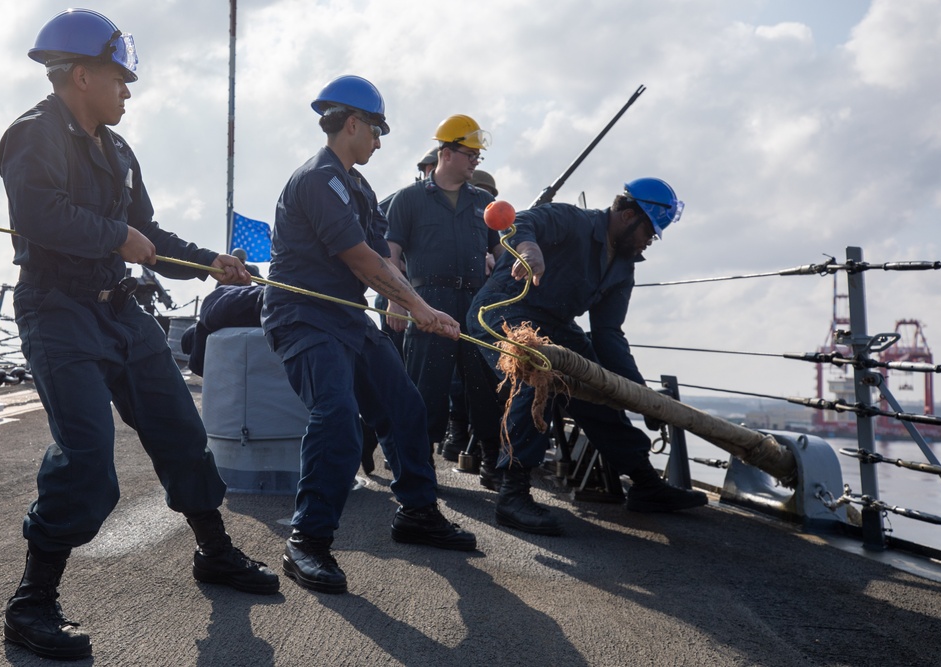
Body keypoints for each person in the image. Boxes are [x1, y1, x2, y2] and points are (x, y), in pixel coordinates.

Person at [0, 9, 278, 660]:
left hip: (120, 310)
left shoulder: (119, 152)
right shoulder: (31, 135)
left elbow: (148, 240)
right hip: (56, 308)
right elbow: (39, 213)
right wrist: (115, 237)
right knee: (89, 458)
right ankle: (31, 602)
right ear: (82, 75)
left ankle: (213, 550)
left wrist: (209, 259)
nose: (128, 90)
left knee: (181, 429)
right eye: (119, 79)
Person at [261, 75, 477, 595]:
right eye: (376, 129)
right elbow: (357, 258)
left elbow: (381, 258)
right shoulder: (318, 179)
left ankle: (418, 513)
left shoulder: (357, 185)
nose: (380, 140)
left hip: (347, 318)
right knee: (335, 415)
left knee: (404, 405)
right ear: (351, 123)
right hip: (304, 316)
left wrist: (420, 308)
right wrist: (420, 307)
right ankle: (306, 542)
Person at [468, 178, 708, 536]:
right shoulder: (573, 220)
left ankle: (644, 482)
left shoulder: (623, 266)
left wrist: (641, 397)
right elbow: (523, 222)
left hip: (555, 325)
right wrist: (530, 248)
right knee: (537, 375)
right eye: (649, 233)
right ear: (628, 215)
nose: (649, 242)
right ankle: (512, 495)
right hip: (504, 312)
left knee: (600, 386)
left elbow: (609, 335)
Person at [384, 116, 505, 488]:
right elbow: (389, 257)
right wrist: (398, 304)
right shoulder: (408, 199)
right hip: (427, 302)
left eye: (477, 157)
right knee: (426, 388)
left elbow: (499, 255)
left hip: (474, 305)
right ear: (447, 153)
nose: (475, 162)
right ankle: (421, 466)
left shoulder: (484, 203)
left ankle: (491, 461)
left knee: (486, 387)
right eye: (470, 154)